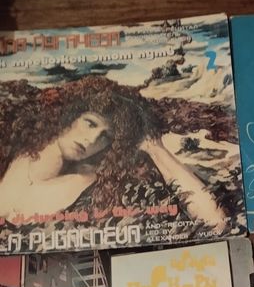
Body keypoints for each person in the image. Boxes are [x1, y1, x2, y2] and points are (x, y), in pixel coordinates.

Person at [0, 75, 227, 231]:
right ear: (69, 116)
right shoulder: (12, 149)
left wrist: (155, 148)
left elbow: (215, 221)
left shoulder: (97, 185)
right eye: (90, 123)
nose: (92, 140)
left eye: (105, 136)